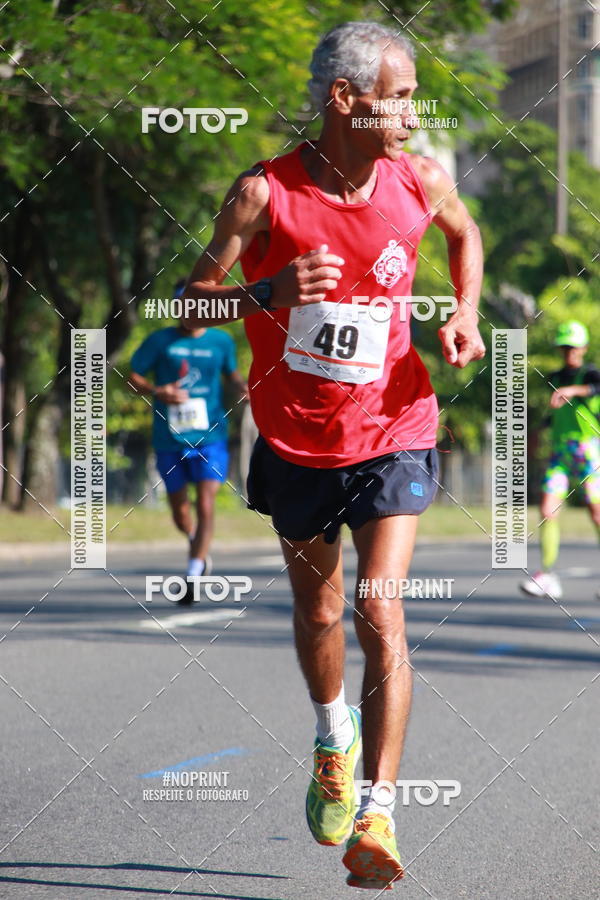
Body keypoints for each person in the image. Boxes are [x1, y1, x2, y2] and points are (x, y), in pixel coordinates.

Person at [182, 22, 484, 889]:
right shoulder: (262, 195)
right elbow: (184, 306)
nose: (411, 110)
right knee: (319, 618)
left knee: (378, 611)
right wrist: (266, 291)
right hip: (295, 438)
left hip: (395, 427)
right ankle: (331, 737)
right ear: (343, 99)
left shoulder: (418, 179)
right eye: (397, 95)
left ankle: (380, 818)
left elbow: (463, 238)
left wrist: (462, 314)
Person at [129, 280, 247, 602]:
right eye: (182, 303)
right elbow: (133, 376)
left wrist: (243, 386)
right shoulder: (161, 341)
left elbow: (231, 374)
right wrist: (158, 391)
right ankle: (197, 542)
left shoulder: (221, 341)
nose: (189, 310)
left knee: (206, 502)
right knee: (181, 513)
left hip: (211, 435)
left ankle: (193, 574)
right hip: (169, 437)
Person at [520, 321, 600, 600]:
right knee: (547, 510)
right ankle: (547, 575)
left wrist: (572, 391)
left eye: (573, 348)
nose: (569, 353)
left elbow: (595, 388)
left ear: (583, 348)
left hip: (590, 453)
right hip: (560, 454)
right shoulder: (555, 377)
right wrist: (537, 432)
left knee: (597, 514)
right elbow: (556, 414)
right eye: (564, 348)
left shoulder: (590, 374)